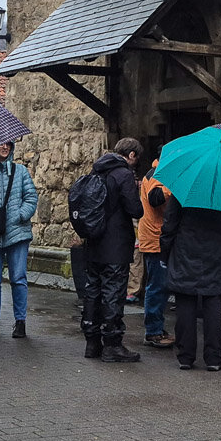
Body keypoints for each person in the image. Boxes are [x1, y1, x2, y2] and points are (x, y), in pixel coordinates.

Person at [79, 137, 145, 362]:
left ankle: (92, 342)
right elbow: (136, 210)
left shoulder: (97, 171)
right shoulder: (123, 174)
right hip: (116, 245)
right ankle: (112, 344)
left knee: (93, 291)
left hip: (95, 242)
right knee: (113, 293)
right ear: (132, 155)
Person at [160, 196, 221, 371]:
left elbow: (169, 224)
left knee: (185, 303)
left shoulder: (183, 192)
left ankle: (186, 356)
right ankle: (214, 357)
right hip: (215, 251)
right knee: (212, 303)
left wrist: (164, 253)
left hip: (186, 250)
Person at [0, 142, 39, 338]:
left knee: (18, 278)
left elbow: (31, 197)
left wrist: (21, 215)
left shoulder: (20, 171)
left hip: (17, 233)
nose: (5, 147)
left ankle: (20, 322)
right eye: (1, 144)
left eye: (8, 144)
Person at [138, 161, 174, 348]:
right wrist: (172, 186)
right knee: (157, 286)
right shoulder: (159, 174)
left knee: (160, 286)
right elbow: (155, 198)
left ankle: (156, 327)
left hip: (156, 237)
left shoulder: (158, 172)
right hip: (155, 239)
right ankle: (153, 332)